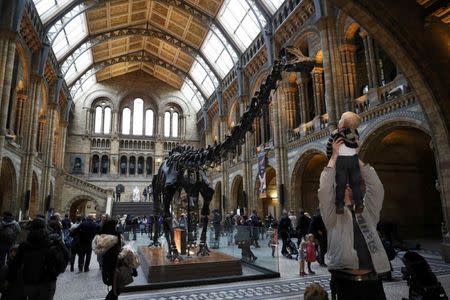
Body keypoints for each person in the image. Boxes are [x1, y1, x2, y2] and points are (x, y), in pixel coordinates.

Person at [318, 138, 390, 300]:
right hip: (346, 282)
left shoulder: (367, 212)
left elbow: (376, 188)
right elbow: (323, 191)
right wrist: (334, 156)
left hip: (373, 280)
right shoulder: (332, 216)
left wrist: (354, 157)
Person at [6, 217, 65, 300]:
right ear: (45, 227)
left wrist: (10, 279)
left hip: (30, 282)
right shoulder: (52, 242)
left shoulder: (24, 245)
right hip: (47, 282)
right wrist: (54, 273)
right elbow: (62, 261)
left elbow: (15, 264)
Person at [326, 111, 363, 214]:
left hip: (341, 160)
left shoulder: (335, 133)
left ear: (344, 123)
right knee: (355, 183)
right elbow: (356, 145)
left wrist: (331, 157)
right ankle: (359, 203)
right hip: (353, 160)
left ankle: (339, 206)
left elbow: (329, 146)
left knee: (341, 184)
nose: (339, 121)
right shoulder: (355, 133)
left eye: (341, 119)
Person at [93, 218, 122, 300]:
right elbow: (119, 247)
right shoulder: (116, 234)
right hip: (114, 261)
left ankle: (111, 297)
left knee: (110, 281)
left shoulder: (101, 234)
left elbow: (97, 247)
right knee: (115, 284)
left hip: (105, 260)